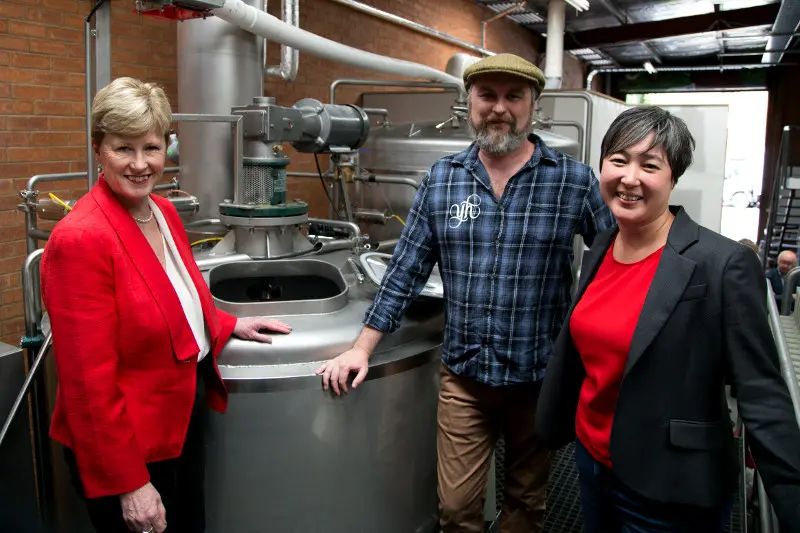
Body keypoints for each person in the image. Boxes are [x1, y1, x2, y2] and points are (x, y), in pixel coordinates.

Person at [316, 53, 616, 533]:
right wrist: (361, 347)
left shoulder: (574, 181)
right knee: (456, 510)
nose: (499, 108)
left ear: (533, 105)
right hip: (465, 380)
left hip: (538, 379)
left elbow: (615, 262)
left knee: (527, 503)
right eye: (487, 96)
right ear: (470, 102)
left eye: (513, 96)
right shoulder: (443, 179)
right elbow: (404, 271)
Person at [40, 77, 292, 533]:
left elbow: (168, 296)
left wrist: (223, 322)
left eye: (152, 148)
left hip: (174, 425)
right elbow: (86, 385)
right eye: (124, 149)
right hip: (128, 446)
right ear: (98, 148)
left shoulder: (162, 211)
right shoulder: (80, 239)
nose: (140, 164)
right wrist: (130, 483)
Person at [535, 106, 800, 532]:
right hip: (593, 460)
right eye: (618, 160)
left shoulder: (721, 262)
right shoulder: (602, 245)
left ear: (673, 177)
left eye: (649, 165)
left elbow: (761, 392)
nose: (629, 177)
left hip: (670, 483)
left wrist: (792, 503)